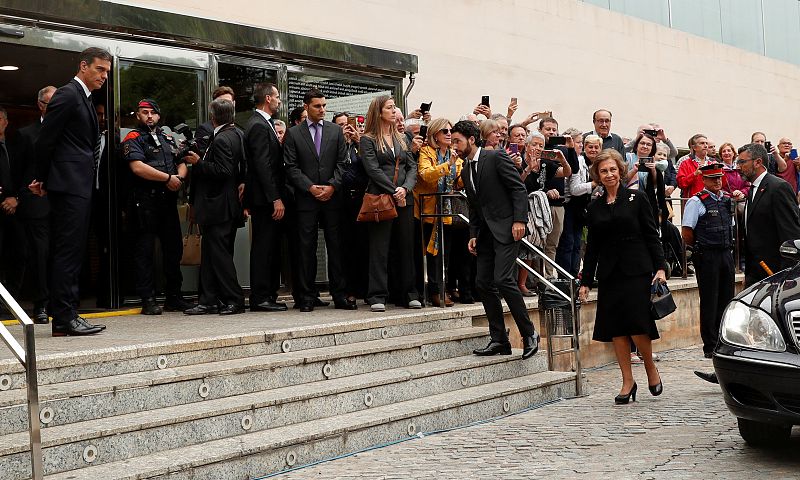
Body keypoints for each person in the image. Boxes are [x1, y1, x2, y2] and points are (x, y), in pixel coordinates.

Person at [31, 47, 112, 337]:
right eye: (100, 69)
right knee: (67, 251)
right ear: (83, 66)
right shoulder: (67, 94)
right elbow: (45, 141)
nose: (105, 76)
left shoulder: (85, 98)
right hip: (68, 184)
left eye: (107, 71)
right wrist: (42, 178)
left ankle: (68, 315)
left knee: (74, 250)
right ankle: (64, 318)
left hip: (77, 184)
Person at [578, 149, 666, 404]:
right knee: (616, 328)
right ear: (598, 174)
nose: (609, 174)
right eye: (603, 171)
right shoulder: (594, 206)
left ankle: (650, 367)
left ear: (620, 171)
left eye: (613, 170)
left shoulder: (637, 198)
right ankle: (627, 381)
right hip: (609, 273)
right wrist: (585, 282)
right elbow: (592, 246)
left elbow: (652, 234)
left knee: (638, 324)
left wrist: (660, 268)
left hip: (637, 269)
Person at [451, 120, 540, 359]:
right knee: (482, 283)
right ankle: (499, 339)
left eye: (458, 141)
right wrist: (473, 235)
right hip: (485, 234)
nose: (454, 146)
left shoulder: (496, 157)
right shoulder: (466, 169)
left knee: (503, 279)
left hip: (508, 229)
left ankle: (529, 333)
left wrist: (519, 220)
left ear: (472, 139)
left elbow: (518, 189)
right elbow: (473, 206)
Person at [284, 88, 353, 312]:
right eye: (317, 106)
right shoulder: (294, 134)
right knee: (306, 248)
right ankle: (305, 296)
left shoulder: (335, 131)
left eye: (324, 105)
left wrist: (332, 186)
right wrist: (310, 188)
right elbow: (291, 167)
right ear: (306, 107)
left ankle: (339, 294)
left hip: (333, 198)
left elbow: (343, 163)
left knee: (336, 246)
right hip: (306, 199)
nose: (322, 109)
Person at [122, 98, 190, 315]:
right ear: (138, 115)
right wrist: (167, 178)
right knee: (145, 252)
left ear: (159, 116)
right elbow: (138, 167)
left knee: (174, 250)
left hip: (168, 203)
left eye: (152, 112)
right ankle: (148, 298)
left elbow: (182, 160)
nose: (149, 116)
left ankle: (174, 296)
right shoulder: (133, 138)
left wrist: (178, 177)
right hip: (145, 203)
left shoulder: (168, 138)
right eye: (144, 112)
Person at [183, 99, 245, 315]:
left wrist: (198, 162)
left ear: (213, 117)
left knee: (219, 255)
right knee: (210, 254)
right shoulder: (236, 134)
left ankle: (234, 299)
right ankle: (208, 299)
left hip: (218, 206)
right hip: (223, 206)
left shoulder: (222, 139)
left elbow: (223, 171)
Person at [360, 96, 420, 312]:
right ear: (379, 112)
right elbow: (372, 170)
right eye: (390, 108)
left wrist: (405, 189)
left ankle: (409, 293)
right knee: (379, 247)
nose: (394, 111)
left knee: (406, 246)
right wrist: (394, 190)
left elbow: (412, 167)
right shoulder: (367, 139)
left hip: (405, 198)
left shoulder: (403, 137)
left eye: (395, 107)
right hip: (381, 197)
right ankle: (377, 295)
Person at [10, 86, 55, 324]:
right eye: (50, 103)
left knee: (62, 253)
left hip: (64, 203)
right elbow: (16, 172)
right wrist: (17, 195)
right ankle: (41, 304)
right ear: (40, 105)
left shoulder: (68, 131)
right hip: (36, 203)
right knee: (40, 254)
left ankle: (64, 301)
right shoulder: (26, 134)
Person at [681, 163, 735, 358]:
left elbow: (731, 226)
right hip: (707, 255)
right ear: (704, 180)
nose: (717, 182)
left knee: (727, 298)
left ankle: (724, 340)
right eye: (713, 179)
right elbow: (687, 231)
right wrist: (700, 248)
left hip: (725, 253)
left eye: (719, 178)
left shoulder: (726, 201)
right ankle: (710, 345)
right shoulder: (696, 201)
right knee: (710, 300)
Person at [243, 82, 288, 312]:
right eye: (277, 97)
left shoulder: (264, 123)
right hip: (264, 199)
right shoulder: (259, 125)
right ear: (268, 99)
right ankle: (261, 297)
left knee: (269, 246)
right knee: (263, 247)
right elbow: (263, 165)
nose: (279, 100)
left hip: (265, 197)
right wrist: (275, 198)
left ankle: (267, 294)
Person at [415, 117, 463, 307]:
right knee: (432, 254)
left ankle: (443, 289)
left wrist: (465, 173)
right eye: (445, 131)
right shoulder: (426, 151)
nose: (449, 134)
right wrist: (448, 164)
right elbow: (426, 175)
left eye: (450, 131)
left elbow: (458, 181)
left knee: (445, 253)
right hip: (429, 211)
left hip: (447, 211)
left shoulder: (454, 154)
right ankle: (433, 291)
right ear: (435, 134)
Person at [738, 143, 800, 287]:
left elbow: (790, 234)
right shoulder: (753, 190)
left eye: (742, 162)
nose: (739, 167)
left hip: (776, 274)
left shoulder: (778, 188)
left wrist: (788, 276)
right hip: (755, 273)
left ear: (758, 162)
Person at [334, 112, 369, 303]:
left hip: (361, 200)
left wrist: (358, 142)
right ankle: (346, 289)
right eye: (341, 125)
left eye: (349, 124)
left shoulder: (361, 145)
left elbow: (370, 167)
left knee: (362, 245)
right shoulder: (336, 146)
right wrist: (343, 143)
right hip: (340, 201)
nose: (347, 128)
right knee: (343, 247)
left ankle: (363, 288)